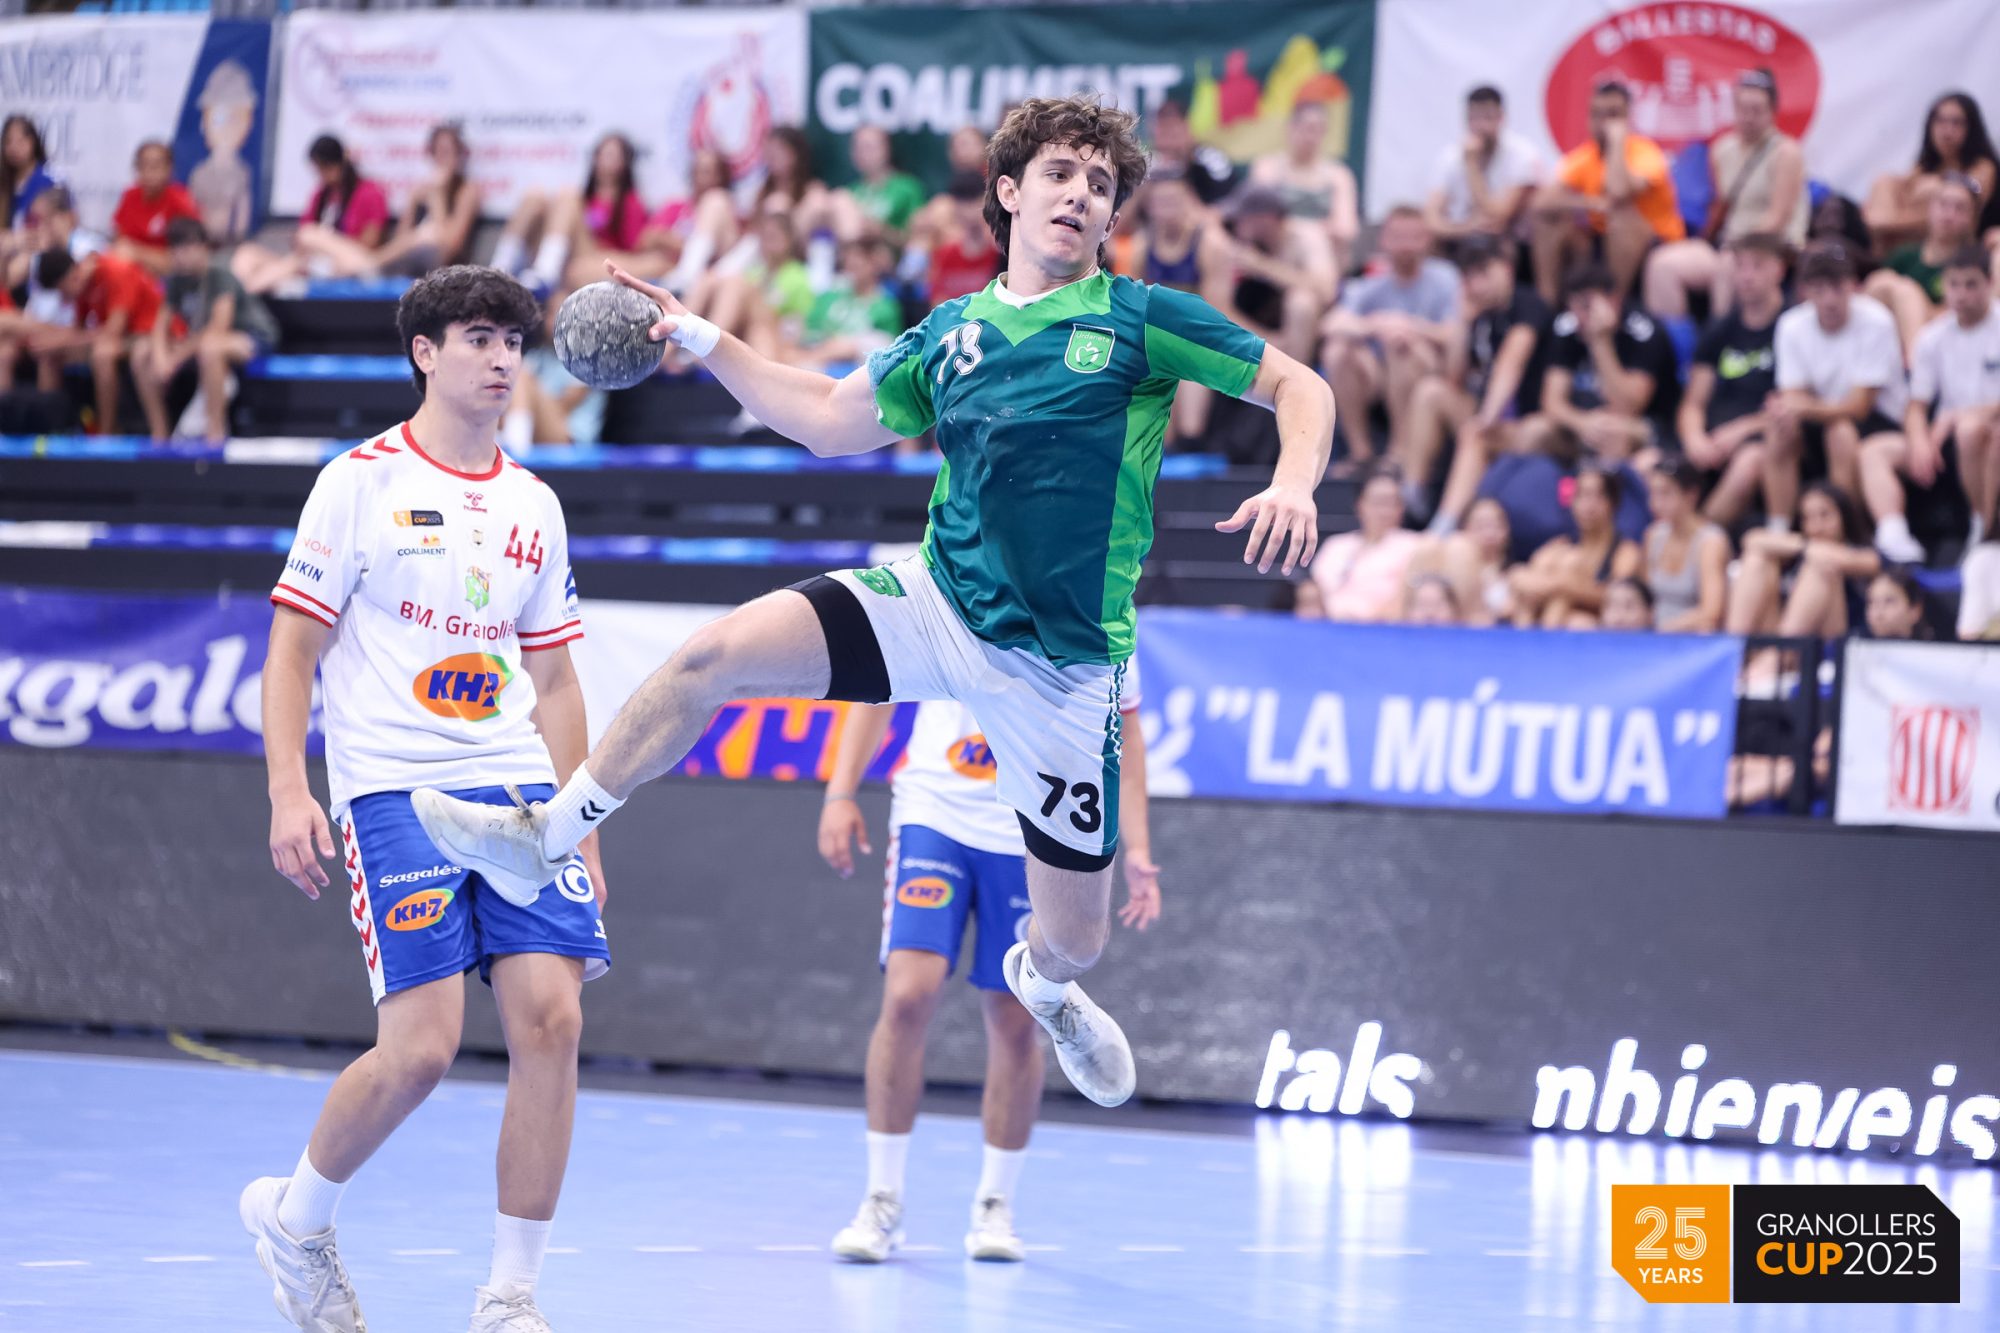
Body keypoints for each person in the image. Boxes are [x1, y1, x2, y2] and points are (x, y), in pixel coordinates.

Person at [411, 95, 1332, 1123]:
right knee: (710, 657)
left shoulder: (1140, 319)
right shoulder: (950, 334)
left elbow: (1301, 387)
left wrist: (1294, 482)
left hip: (1063, 671)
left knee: (1077, 936)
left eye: (1101, 183)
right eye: (1061, 173)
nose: (1081, 193)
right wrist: (703, 333)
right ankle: (546, 834)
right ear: (1009, 191)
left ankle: (1041, 983)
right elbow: (823, 415)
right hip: (938, 601)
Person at [242, 266, 607, 1333]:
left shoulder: (536, 502)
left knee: (554, 1019)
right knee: (420, 1049)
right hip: (395, 785)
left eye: (514, 343)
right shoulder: (355, 483)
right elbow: (292, 650)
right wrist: (288, 790)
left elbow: (555, 680)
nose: (503, 359)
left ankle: (510, 1296)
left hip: (519, 787)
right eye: (481, 338)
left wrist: (582, 819)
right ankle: (298, 1220)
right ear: (426, 352)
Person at [817, 670, 1159, 1264]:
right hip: (934, 811)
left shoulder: (1104, 625)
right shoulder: (941, 601)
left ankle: (996, 1203)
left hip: (1032, 826)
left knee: (1015, 1015)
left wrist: (1140, 849)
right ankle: (881, 1197)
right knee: (908, 995)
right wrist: (840, 793)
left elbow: (1124, 737)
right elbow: (878, 686)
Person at [1765, 241, 1907, 543]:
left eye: (1838, 289)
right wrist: (1792, 409)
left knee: (1839, 432)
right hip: (1825, 414)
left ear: (1853, 286)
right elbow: (1792, 395)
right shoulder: (1791, 325)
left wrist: (1801, 407)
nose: (1830, 300)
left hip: (1880, 420)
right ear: (1804, 291)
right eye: (1819, 290)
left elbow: (1860, 406)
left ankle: (1846, 533)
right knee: (1780, 427)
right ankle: (1779, 529)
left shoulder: (1877, 321)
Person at [1641, 69, 1808, 321]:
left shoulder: (1786, 153)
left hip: (1772, 246)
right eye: (1742, 109)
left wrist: (1737, 247)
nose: (1748, 117)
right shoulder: (1723, 149)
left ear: (1772, 112)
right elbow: (1722, 206)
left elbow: (1778, 218)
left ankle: (1721, 338)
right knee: (1661, 264)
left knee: (1729, 266)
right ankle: (1676, 341)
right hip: (1727, 244)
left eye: (1756, 110)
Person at [1414, 234, 1554, 531]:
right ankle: (1411, 495)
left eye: (1484, 272)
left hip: (1534, 421)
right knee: (1431, 391)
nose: (1477, 284)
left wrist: (1487, 418)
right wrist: (1462, 321)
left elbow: (1511, 363)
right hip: (1491, 415)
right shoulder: (1481, 316)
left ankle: (1444, 525)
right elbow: (1454, 377)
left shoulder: (1528, 303)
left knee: (1475, 434)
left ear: (1506, 268)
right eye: (1469, 276)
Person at [1875, 246, 2000, 560]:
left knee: (1971, 430)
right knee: (1874, 452)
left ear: (1989, 283)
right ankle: (1895, 544)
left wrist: (1959, 416)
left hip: (1986, 431)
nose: (1961, 294)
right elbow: (1916, 404)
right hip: (1946, 438)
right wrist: (1919, 440)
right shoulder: (1932, 336)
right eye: (1954, 285)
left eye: (1970, 285)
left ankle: (1983, 529)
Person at [1320, 206, 1460, 474]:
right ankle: (1360, 453)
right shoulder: (1372, 282)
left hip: (1431, 370)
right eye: (1398, 237)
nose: (1406, 246)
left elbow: (1453, 332)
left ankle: (1400, 452)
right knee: (1337, 351)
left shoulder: (1446, 277)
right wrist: (1377, 325)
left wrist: (1409, 327)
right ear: (1384, 240)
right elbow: (1330, 324)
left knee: (1402, 347)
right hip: (1379, 375)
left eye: (1414, 237)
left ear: (1427, 240)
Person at [1530, 80, 1684, 304]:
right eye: (1596, 114)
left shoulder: (1645, 152)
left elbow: (1618, 191)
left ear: (1628, 117)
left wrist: (1617, 142)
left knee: (1622, 217)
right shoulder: (1586, 156)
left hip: (1654, 241)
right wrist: (1589, 203)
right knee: (1551, 222)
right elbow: (1541, 202)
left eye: (1612, 115)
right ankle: (1547, 305)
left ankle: (1613, 305)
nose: (1602, 123)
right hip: (1601, 240)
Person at [132, 217, 280, 442]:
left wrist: (174, 359)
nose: (181, 256)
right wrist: (162, 357)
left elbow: (218, 327)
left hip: (251, 335)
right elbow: (160, 326)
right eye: (176, 249)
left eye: (188, 248)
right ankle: (159, 432)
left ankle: (215, 433)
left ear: (203, 247)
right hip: (202, 341)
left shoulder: (220, 274)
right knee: (142, 351)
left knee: (211, 348)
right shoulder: (177, 280)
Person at [1677, 232, 1788, 526]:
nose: (1746, 276)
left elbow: (1797, 404)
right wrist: (1694, 438)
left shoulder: (1792, 326)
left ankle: (1698, 537)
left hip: (1768, 439)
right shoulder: (1719, 329)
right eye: (1740, 266)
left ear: (1779, 269)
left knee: (1748, 463)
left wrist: (1742, 429)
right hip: (1714, 439)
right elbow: (1693, 402)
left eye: (1757, 266)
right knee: (1650, 465)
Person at [291, 123, 484, 284]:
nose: (443, 159)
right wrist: (414, 203)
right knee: (310, 238)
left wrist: (437, 196)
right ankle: (365, 266)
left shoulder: (466, 190)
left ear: (459, 155)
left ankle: (370, 266)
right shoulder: (420, 190)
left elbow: (449, 247)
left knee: (429, 232)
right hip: (401, 261)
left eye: (448, 152)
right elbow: (401, 238)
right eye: (438, 152)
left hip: (434, 263)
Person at [1539, 261, 1679, 464]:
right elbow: (1552, 402)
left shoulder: (1643, 331)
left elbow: (1627, 406)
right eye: (1572, 306)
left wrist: (1600, 342)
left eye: (1586, 306)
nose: (1578, 317)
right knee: (1536, 430)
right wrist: (1581, 422)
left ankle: (1598, 483)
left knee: (1613, 433)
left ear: (1614, 300)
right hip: (1586, 419)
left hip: (1647, 424)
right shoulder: (1567, 326)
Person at [28, 246, 176, 435]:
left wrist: (62, 341)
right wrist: (53, 343)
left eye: (63, 292)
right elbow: (79, 331)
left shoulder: (116, 270)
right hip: (122, 338)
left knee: (103, 354)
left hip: (149, 335)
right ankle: (49, 431)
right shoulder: (83, 286)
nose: (63, 299)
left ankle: (107, 431)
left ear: (72, 277)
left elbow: (114, 331)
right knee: (50, 354)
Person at [491, 133, 657, 296]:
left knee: (568, 195)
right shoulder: (586, 197)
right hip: (563, 253)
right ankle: (499, 269)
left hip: (592, 259)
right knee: (534, 196)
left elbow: (633, 250)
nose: (604, 160)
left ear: (625, 162)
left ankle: (546, 273)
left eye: (612, 155)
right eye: (601, 154)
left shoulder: (630, 201)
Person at [234, 136, 393, 295]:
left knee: (309, 237)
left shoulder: (369, 193)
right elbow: (300, 242)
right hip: (315, 265)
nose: (321, 175)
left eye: (324, 168)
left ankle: (244, 292)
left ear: (338, 164)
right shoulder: (321, 195)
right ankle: (242, 293)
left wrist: (325, 244)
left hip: (356, 264)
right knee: (246, 254)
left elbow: (368, 246)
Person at [1724, 480, 1879, 636]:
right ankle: (1734, 643)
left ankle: (1784, 650)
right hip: (1777, 631)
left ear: (1844, 516)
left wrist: (1812, 550)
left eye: (1825, 515)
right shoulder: (1802, 552)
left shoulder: (1863, 552)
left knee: (1820, 567)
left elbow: (1864, 562)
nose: (1816, 526)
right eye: (1807, 518)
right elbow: (1751, 539)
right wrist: (1805, 546)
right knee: (1756, 560)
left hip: (1835, 638)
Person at [1206, 185, 1335, 371]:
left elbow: (1326, 290)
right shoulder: (1234, 241)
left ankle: (1294, 378)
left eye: (1242, 219)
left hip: (1307, 329)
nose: (1236, 224)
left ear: (1266, 219)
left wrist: (1263, 266)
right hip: (1258, 327)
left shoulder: (1306, 237)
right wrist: (1264, 339)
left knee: (1301, 302)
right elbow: (1218, 304)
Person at [1505, 462, 1643, 628]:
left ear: (1613, 503)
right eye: (1581, 495)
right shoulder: (1559, 545)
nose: (1588, 505)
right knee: (1547, 567)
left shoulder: (1625, 551)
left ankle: (1545, 634)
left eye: (1597, 496)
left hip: (1598, 624)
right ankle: (1526, 635)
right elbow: (1523, 578)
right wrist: (1551, 583)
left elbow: (1616, 598)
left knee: (1575, 611)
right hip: (1551, 613)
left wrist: (1564, 585)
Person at [1864, 92, 1999, 254]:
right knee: (1885, 182)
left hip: (1958, 248)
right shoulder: (1924, 166)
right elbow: (1904, 190)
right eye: (1940, 121)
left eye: (1956, 123)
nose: (1947, 131)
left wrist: (1886, 223)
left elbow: (1963, 207)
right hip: (1911, 243)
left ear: (1971, 128)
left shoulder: (1982, 167)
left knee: (1948, 199)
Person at [1866, 173, 1982, 355]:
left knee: (1905, 292)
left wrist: (1912, 301)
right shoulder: (1904, 255)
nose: (1949, 215)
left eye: (1959, 208)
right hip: (1895, 340)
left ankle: (1917, 364)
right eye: (1943, 204)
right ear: (1930, 208)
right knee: (1883, 281)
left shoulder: (1973, 263)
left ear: (1972, 219)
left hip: (1949, 343)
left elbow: (1959, 316)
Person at [1423, 86, 1544, 255]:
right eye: (1474, 118)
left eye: (1487, 117)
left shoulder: (1522, 154)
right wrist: (1467, 228)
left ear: (1501, 118)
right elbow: (1431, 219)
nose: (1480, 126)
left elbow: (1497, 217)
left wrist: (1472, 166)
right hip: (1459, 235)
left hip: (1507, 241)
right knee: (1425, 241)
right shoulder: (1450, 157)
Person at [1248, 98, 1359, 281]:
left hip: (1324, 255)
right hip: (1279, 254)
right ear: (1290, 128)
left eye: (1317, 130)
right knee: (1308, 237)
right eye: (1306, 128)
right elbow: (1260, 220)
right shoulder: (1268, 168)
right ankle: (1319, 286)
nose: (1310, 137)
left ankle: (1314, 286)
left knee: (1303, 297)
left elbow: (1346, 228)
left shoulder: (1338, 175)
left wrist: (1305, 231)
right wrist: (1308, 230)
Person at [1309, 467, 1429, 622]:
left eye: (1392, 503)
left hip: (1381, 627)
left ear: (1402, 508)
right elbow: (1315, 591)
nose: (1384, 511)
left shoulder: (1416, 545)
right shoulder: (1336, 545)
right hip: (1327, 625)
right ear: (1360, 505)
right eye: (1378, 502)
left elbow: (1406, 599)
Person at [1642, 457, 1730, 632]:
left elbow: (1711, 612)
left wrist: (1663, 630)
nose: (1655, 504)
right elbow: (1644, 597)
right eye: (1653, 493)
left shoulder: (1710, 542)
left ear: (1691, 495)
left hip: (1690, 634)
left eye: (1665, 493)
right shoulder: (1653, 535)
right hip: (1654, 633)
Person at [188, 59, 259, 244]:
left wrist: (238, 240)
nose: (227, 129)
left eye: (236, 119)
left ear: (249, 123)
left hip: (230, 244)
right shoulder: (199, 174)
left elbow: (242, 214)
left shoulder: (242, 172)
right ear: (204, 121)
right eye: (219, 119)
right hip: (201, 243)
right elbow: (191, 211)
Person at [111, 141, 203, 276]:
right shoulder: (130, 196)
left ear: (169, 168)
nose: (148, 173)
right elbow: (119, 242)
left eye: (155, 167)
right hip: (130, 271)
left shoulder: (181, 201)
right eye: (143, 166)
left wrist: (138, 253)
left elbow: (187, 259)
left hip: (167, 277)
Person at [832, 127, 928, 242]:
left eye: (869, 147)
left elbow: (917, 237)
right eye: (857, 148)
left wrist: (882, 232)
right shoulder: (851, 192)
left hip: (888, 249)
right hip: (851, 248)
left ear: (887, 149)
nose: (862, 154)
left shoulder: (907, 188)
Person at [1148, 99, 1235, 207]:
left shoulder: (1210, 157)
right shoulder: (1148, 163)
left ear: (1187, 128)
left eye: (1173, 127)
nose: (1168, 134)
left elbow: (1226, 198)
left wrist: (1187, 160)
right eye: (1163, 128)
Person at [1, 115, 56, 232]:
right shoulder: (4, 182)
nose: (13, 148)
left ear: (32, 142)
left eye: (20, 141)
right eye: (8, 142)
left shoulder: (48, 182)